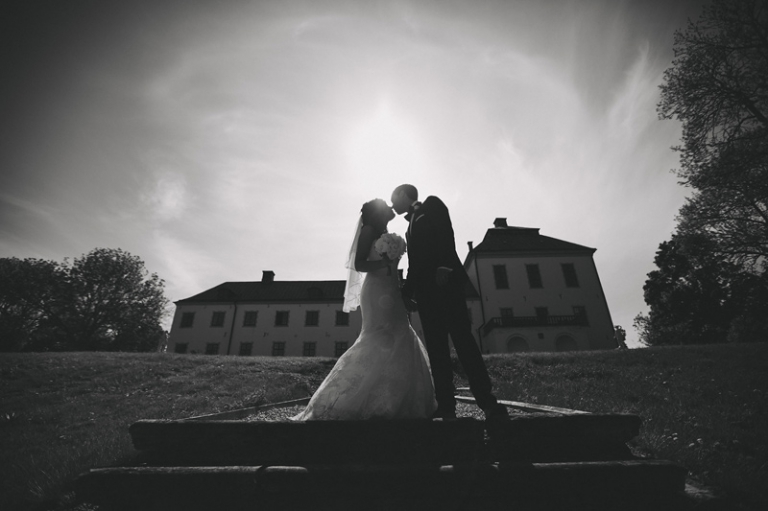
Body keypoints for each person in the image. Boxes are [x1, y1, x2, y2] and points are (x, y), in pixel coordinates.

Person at [293, 199, 437, 420]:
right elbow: (359, 264)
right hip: (376, 289)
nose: (391, 207)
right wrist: (384, 263)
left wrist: (402, 291)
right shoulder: (369, 230)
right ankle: (350, 400)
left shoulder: (385, 233)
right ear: (377, 212)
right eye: (385, 206)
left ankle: (398, 398)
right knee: (379, 336)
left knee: (401, 332)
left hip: (391, 289)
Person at [391, 184, 508, 422]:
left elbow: (446, 233)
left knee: (463, 340)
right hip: (426, 295)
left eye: (394, 198)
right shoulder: (409, 229)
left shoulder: (432, 204)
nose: (392, 203)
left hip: (446, 285)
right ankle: (446, 406)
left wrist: (444, 266)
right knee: (436, 349)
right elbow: (415, 264)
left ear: (404, 194)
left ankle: (487, 401)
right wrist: (407, 292)